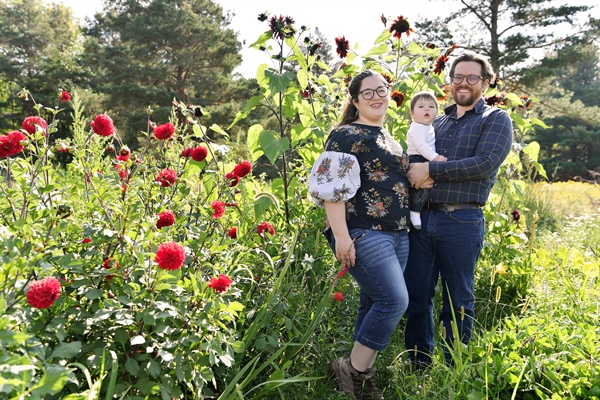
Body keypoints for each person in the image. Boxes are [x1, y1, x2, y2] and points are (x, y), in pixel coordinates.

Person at [404, 51, 513, 366]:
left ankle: (454, 368)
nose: (463, 83)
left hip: (461, 219)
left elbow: (485, 163)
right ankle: (418, 363)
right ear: (449, 81)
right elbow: (416, 159)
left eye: (472, 77)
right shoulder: (435, 120)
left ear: (486, 81)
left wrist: (431, 171)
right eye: (458, 77)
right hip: (423, 218)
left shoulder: (494, 119)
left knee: (458, 298)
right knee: (417, 296)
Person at [308, 70, 411, 399]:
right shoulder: (346, 134)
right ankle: (351, 369)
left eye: (381, 90)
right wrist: (341, 236)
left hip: (398, 234)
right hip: (364, 231)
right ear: (354, 101)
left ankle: (361, 376)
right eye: (367, 93)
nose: (377, 96)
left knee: (373, 301)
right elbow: (331, 188)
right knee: (394, 300)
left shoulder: (389, 138)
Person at [406, 91, 447, 229]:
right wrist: (435, 158)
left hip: (424, 157)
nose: (427, 109)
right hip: (417, 158)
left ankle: (415, 210)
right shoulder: (416, 127)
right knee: (423, 186)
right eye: (421, 106)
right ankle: (414, 211)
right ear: (412, 113)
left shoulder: (428, 127)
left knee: (424, 186)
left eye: (431, 106)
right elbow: (421, 145)